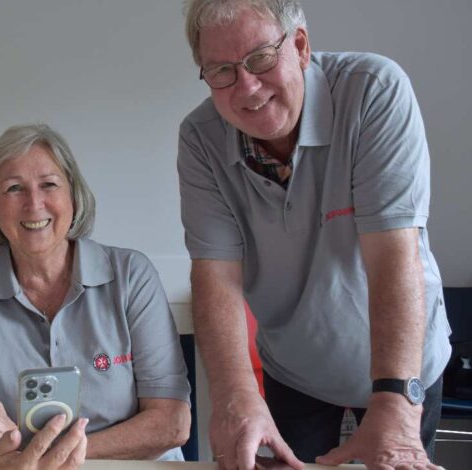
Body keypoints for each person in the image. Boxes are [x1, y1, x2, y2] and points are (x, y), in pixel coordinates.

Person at [177, 1, 450, 469]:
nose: (247, 86)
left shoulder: (373, 90)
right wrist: (236, 396)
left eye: (260, 58)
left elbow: (392, 253)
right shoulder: (200, 138)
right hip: (295, 369)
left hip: (402, 366)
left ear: (300, 46)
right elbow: (215, 275)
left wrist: (395, 399)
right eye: (222, 71)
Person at [0, 123, 192, 468]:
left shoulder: (132, 274)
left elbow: (171, 423)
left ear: (73, 193)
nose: (34, 204)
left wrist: (45, 454)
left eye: (49, 184)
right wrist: (1, 458)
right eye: (14, 188)